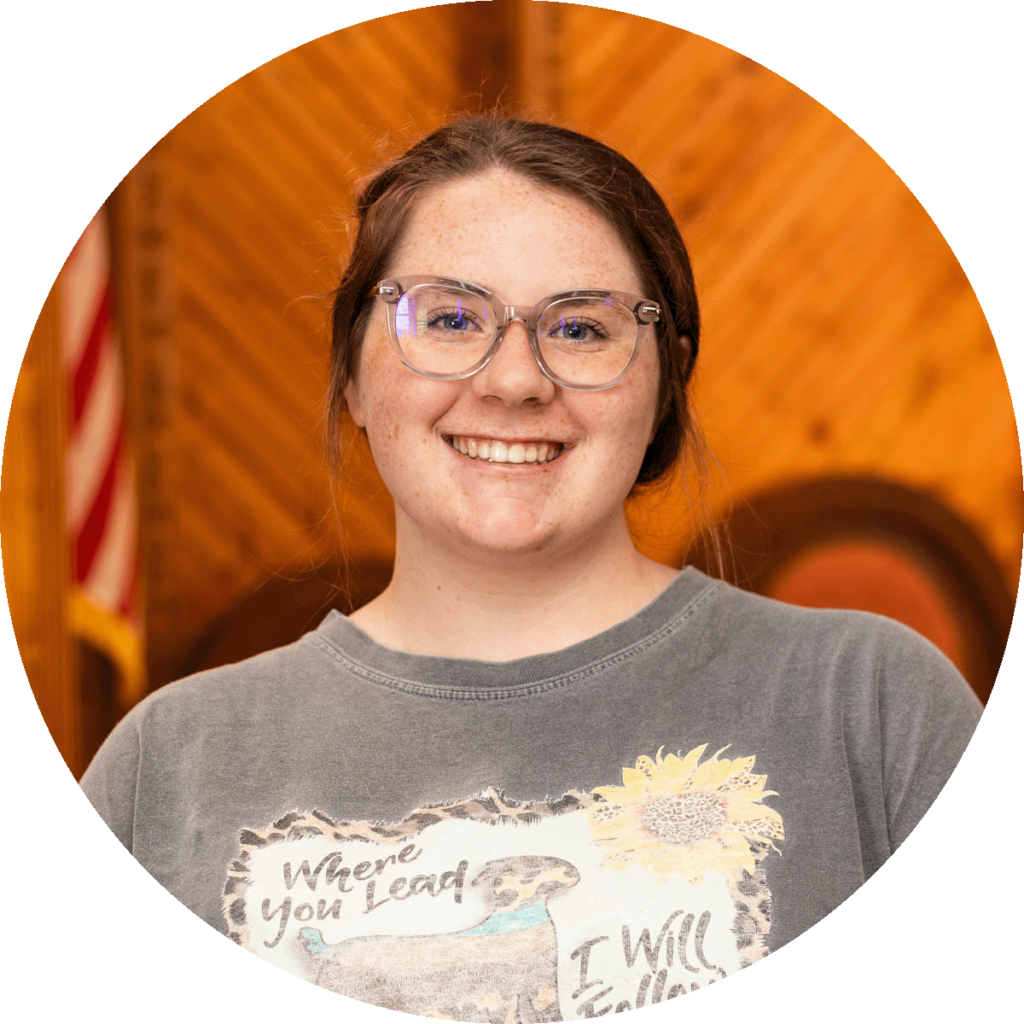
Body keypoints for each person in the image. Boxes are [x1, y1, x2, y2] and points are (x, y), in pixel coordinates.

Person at [80, 116, 983, 1016]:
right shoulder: (167, 767)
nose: (515, 381)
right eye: (450, 318)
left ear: (665, 381)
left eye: (581, 328)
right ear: (351, 373)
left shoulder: (874, 709)